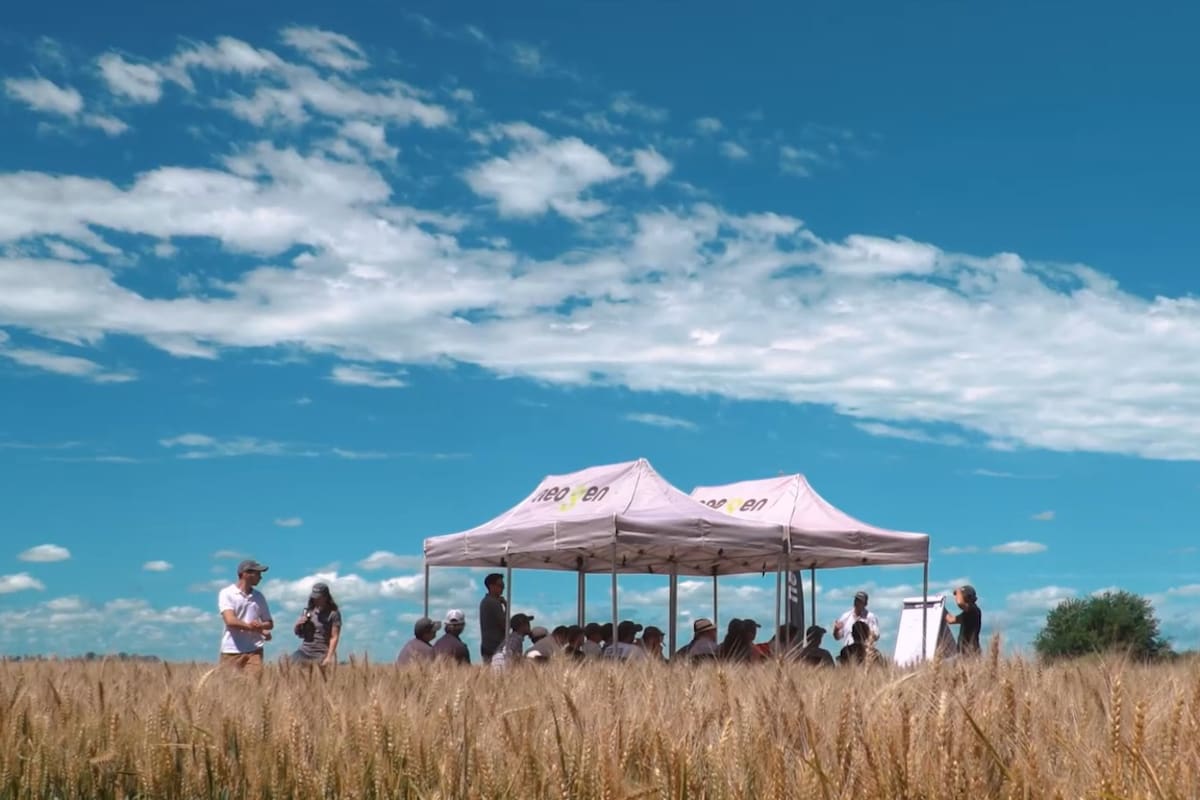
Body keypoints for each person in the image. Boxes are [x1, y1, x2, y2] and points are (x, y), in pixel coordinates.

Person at [218, 559, 274, 671]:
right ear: (245, 574)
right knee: (229, 686)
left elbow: (269, 623)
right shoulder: (226, 593)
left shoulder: (259, 597)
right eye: (257, 573)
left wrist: (261, 626)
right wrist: (256, 629)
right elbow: (230, 620)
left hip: (254, 650)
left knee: (254, 685)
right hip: (231, 651)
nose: (260, 577)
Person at [289, 581, 341, 667]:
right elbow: (299, 634)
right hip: (305, 650)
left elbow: (334, 637)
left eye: (318, 598)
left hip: (321, 653)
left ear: (325, 597)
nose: (315, 600)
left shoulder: (333, 614)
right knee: (288, 664)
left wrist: (329, 657)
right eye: (314, 597)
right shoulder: (308, 611)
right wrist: (298, 625)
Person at [945, 585, 982, 656]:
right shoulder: (966, 614)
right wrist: (940, 608)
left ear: (967, 597)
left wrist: (958, 591)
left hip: (971, 652)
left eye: (960, 595)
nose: (956, 597)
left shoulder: (974, 610)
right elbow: (950, 620)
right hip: (963, 652)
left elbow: (960, 603)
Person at [478, 573, 507, 664]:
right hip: (494, 647)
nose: (502, 588)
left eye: (503, 586)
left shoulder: (485, 601)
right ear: (491, 586)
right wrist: (506, 607)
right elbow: (505, 625)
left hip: (487, 646)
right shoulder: (493, 603)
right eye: (500, 585)